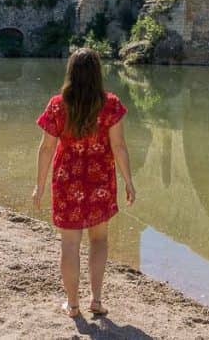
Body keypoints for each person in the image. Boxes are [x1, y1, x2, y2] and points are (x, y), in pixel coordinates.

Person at [32, 47, 136, 318]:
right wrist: (129, 181)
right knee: (99, 240)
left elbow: (46, 149)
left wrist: (39, 185)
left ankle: (73, 305)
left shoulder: (57, 104)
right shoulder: (110, 104)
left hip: (67, 181)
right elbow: (120, 146)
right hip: (100, 179)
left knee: (69, 244)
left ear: (71, 72)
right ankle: (97, 300)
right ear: (98, 74)